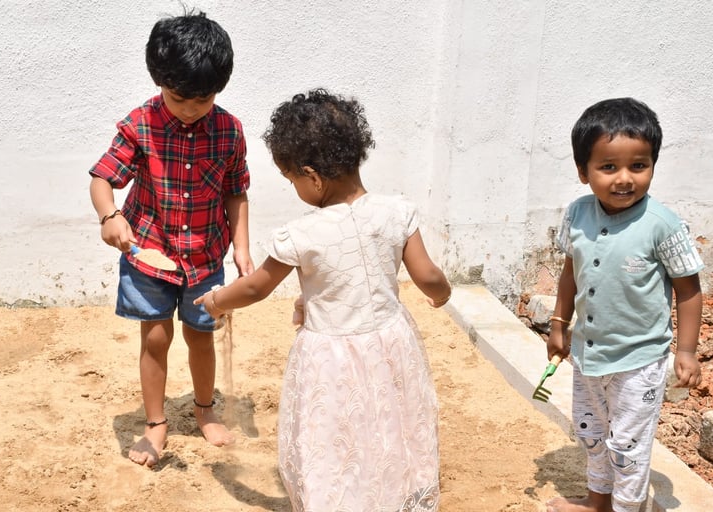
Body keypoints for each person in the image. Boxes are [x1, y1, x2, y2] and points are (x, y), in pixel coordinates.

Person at [194, 88, 452, 510]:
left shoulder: (303, 234)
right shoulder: (397, 211)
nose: (294, 186)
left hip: (331, 356)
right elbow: (427, 276)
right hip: (390, 342)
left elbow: (257, 287)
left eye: (291, 179)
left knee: (335, 433)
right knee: (390, 419)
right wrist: (443, 294)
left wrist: (217, 300)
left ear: (312, 177)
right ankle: (395, 494)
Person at [88, 9, 254, 468]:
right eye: (179, 98)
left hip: (205, 256)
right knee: (156, 338)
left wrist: (241, 248)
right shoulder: (140, 124)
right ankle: (156, 422)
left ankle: (204, 410)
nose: (190, 109)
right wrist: (109, 216)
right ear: (159, 79)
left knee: (201, 336)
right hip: (149, 253)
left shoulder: (229, 130)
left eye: (203, 99)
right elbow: (103, 178)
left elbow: (236, 191)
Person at [545, 98, 703, 512]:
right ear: (583, 171)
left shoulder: (662, 225)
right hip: (588, 355)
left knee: (628, 447)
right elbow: (570, 272)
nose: (624, 179)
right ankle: (597, 501)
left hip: (639, 362)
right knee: (593, 434)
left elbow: (688, 289)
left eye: (638, 165)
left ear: (653, 164)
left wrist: (686, 351)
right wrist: (559, 324)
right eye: (608, 167)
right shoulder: (578, 215)